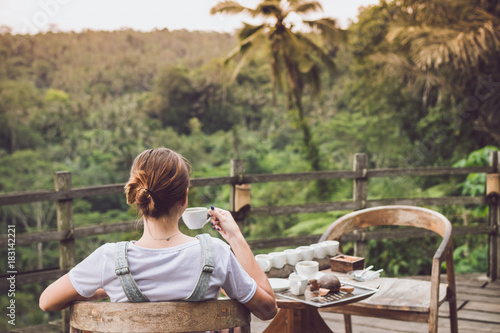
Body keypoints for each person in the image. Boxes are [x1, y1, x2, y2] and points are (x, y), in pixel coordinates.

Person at [39, 148, 277, 322]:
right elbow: (268, 309)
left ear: (136, 197)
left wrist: (105, 286)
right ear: (184, 199)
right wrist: (235, 237)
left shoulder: (107, 260)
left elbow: (47, 301)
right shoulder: (216, 254)